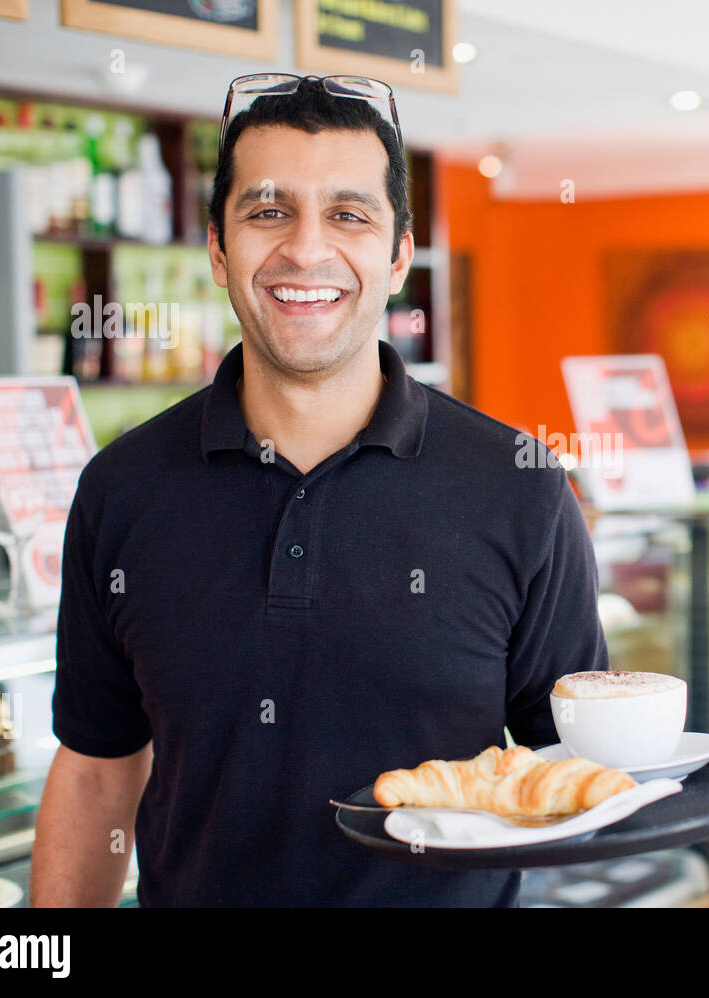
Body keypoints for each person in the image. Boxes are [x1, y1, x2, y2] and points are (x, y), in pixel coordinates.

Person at [30, 76, 608, 907]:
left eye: (348, 214)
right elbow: (95, 770)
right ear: (219, 249)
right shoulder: (122, 489)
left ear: (400, 255)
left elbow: (572, 775)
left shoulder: (518, 485)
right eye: (268, 211)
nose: (306, 249)